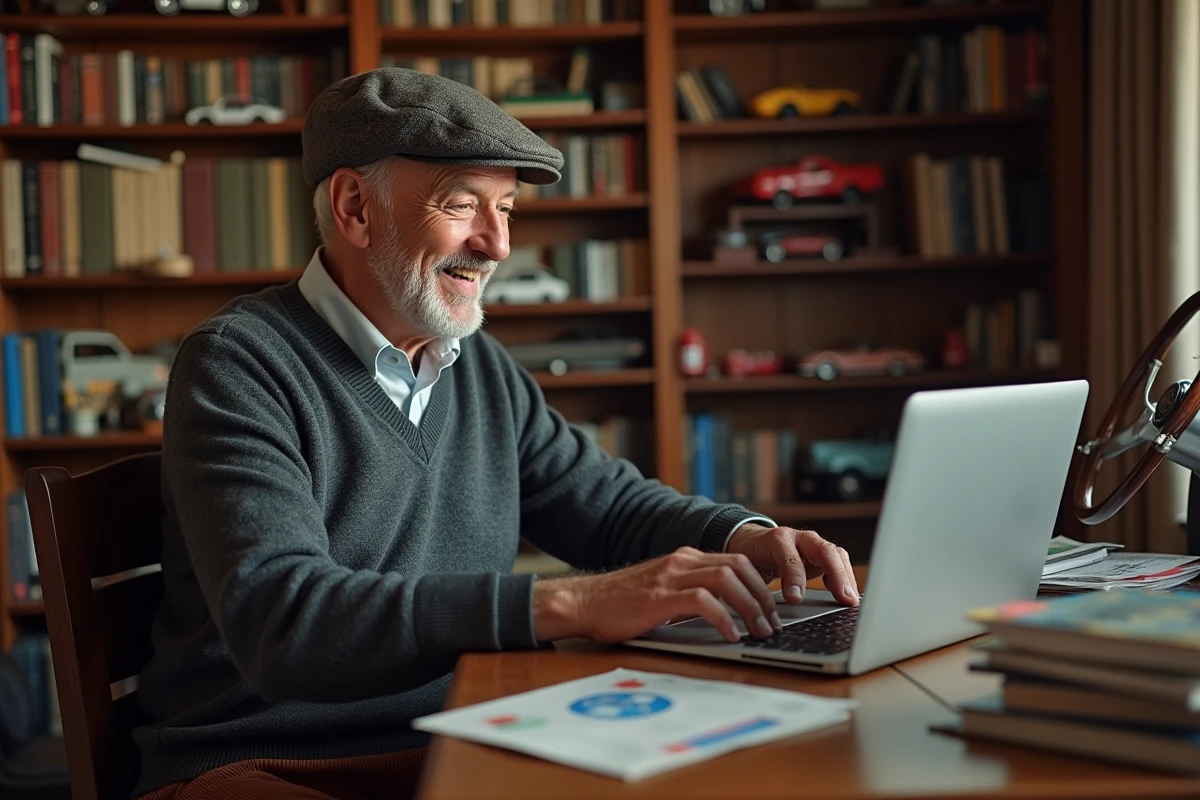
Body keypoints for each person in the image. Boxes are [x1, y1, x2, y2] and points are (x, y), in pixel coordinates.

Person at [132, 68, 860, 800]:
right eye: (463, 206)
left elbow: (603, 507)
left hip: (454, 742)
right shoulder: (237, 363)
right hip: (255, 763)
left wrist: (744, 537)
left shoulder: (476, 365)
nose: (497, 244)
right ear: (355, 207)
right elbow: (284, 620)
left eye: (507, 209)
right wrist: (570, 605)